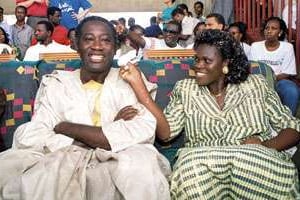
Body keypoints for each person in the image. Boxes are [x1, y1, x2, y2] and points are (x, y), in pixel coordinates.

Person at [0, 16, 171, 200]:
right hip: (63, 157)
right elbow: (35, 132)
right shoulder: (58, 83)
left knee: (141, 167)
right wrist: (106, 131)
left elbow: (141, 128)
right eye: (89, 39)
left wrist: (65, 127)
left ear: (115, 48)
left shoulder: (130, 79)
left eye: (106, 40)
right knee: (29, 173)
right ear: (76, 45)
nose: (97, 46)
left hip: (121, 158)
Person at [122, 29, 300, 199]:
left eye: (206, 61)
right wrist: (140, 87)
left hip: (253, 157)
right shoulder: (185, 89)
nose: (198, 66)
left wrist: (266, 145)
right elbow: (166, 134)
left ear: (225, 63)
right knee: (189, 177)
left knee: (279, 177)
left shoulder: (255, 85)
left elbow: (292, 128)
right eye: (196, 59)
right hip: (200, 161)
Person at [249, 16, 300, 116]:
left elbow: (287, 73)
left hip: (279, 81)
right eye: (267, 28)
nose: (269, 31)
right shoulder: (255, 46)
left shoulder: (287, 47)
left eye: (273, 28)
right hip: (258, 81)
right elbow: (252, 68)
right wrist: (263, 81)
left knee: (291, 90)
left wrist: (271, 79)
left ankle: (288, 121)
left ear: (280, 32)